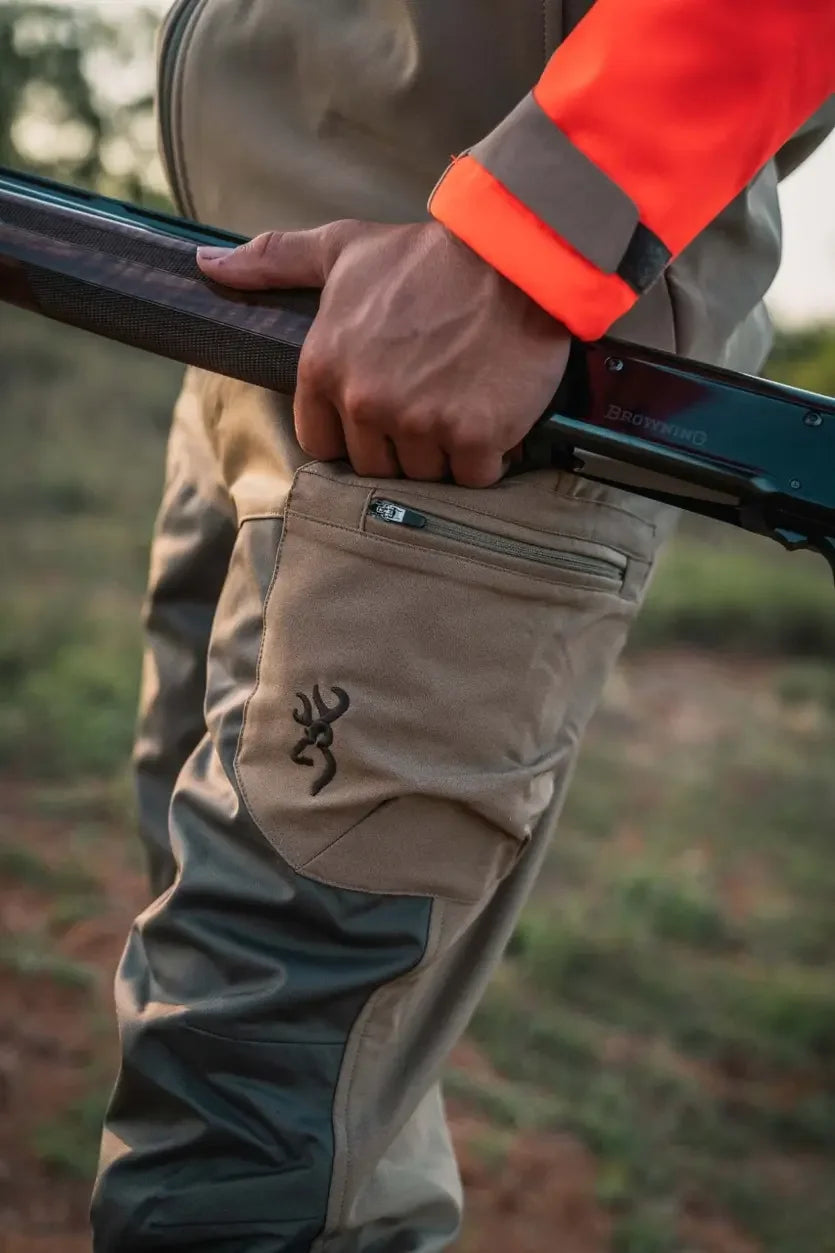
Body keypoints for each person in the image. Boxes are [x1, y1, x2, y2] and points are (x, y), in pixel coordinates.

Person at [91, 1, 835, 1248]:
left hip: (477, 357)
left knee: (238, 1113)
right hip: (275, 305)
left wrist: (530, 237)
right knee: (291, 1064)